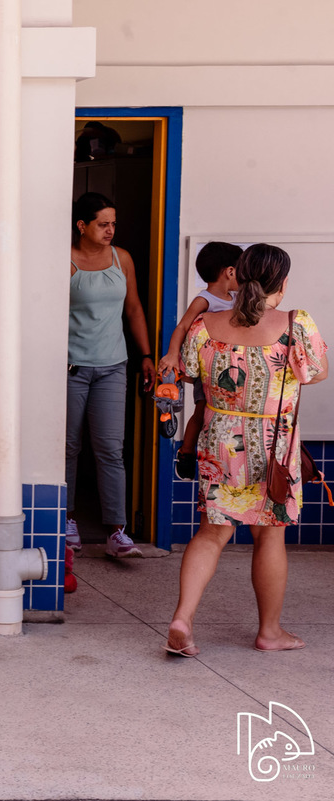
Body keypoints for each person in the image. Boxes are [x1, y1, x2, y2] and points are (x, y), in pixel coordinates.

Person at [165, 243, 328, 657]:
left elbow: (186, 372)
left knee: (211, 533)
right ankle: (269, 632)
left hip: (220, 442)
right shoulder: (296, 323)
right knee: (269, 536)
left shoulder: (204, 325)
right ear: (283, 283)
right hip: (273, 448)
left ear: (237, 276)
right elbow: (315, 373)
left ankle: (183, 617)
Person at [66, 192, 156, 557]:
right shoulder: (64, 260)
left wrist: (145, 355)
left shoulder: (123, 259)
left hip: (113, 366)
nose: (110, 230)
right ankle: (67, 519)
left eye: (113, 224)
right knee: (69, 447)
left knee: (110, 448)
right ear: (82, 226)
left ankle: (117, 531)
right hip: (70, 366)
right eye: (103, 224)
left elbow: (133, 308)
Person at [159, 241, 242, 480]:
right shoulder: (204, 299)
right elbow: (183, 326)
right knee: (201, 410)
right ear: (230, 271)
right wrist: (173, 354)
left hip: (231, 370)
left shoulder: (237, 298)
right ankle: (186, 453)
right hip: (208, 370)